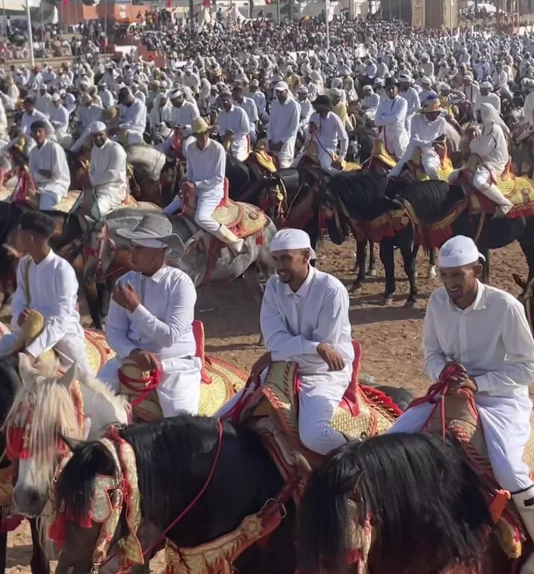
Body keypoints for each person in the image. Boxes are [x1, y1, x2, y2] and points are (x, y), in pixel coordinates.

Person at [387, 235, 534, 574]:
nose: (449, 283)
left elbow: (529, 367)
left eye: (457, 275)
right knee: (389, 444)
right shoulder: (437, 302)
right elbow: (431, 353)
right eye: (444, 275)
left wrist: (479, 383)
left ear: (477, 270)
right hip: (450, 394)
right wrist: (443, 372)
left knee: (509, 471)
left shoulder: (504, 306)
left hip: (499, 400)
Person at [218, 228, 354, 456]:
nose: (279, 266)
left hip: (322, 372)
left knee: (314, 437)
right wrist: (313, 347)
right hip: (283, 366)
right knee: (220, 422)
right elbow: (275, 341)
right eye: (276, 258)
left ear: (306, 256)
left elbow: (326, 350)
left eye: (286, 258)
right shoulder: (273, 286)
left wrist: (280, 353)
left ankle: (361, 453)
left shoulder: (331, 290)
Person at [97, 215, 202, 416]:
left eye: (140, 248)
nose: (132, 253)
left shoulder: (180, 284)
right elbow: (114, 332)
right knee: (90, 403)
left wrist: (135, 308)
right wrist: (133, 352)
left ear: (159, 252)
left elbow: (169, 337)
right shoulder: (124, 281)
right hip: (128, 360)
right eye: (133, 246)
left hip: (175, 366)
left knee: (180, 419)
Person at [0, 211, 88, 372]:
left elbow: (61, 319)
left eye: (18, 233)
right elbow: (20, 300)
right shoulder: (25, 264)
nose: (15, 238)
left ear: (29, 239)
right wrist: (20, 317)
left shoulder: (62, 270)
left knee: (85, 378)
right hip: (30, 328)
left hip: (61, 335)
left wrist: (32, 352)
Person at [162, 117, 244, 254]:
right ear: (195, 135)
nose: (204, 136)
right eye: (200, 134)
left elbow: (218, 178)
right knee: (165, 211)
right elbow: (191, 170)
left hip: (211, 191)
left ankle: (234, 240)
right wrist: (185, 179)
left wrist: (195, 184)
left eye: (205, 132)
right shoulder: (190, 149)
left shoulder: (218, 149)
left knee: (201, 218)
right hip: (193, 190)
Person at [459, 102, 514, 216]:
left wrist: (472, 141)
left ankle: (505, 203)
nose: (477, 115)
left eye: (479, 113)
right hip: (486, 159)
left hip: (495, 163)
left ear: (485, 114)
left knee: (479, 181)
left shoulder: (493, 129)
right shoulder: (485, 127)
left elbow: (482, 150)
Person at [78, 121, 128, 220]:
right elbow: (92, 169)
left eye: (100, 135)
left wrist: (91, 180)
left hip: (113, 190)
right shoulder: (94, 149)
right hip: (95, 188)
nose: (97, 138)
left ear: (106, 133)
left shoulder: (116, 150)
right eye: (94, 136)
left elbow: (112, 174)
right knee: (76, 209)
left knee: (96, 212)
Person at [390, 96, 448, 179]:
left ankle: (438, 185)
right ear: (425, 112)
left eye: (437, 113)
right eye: (432, 113)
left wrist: (440, 143)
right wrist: (431, 143)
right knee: (394, 172)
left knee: (430, 169)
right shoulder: (416, 119)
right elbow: (414, 140)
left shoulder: (441, 121)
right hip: (413, 149)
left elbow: (441, 141)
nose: (435, 115)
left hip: (430, 152)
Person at [27, 120, 71, 211]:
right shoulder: (33, 152)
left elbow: (56, 175)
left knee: (45, 204)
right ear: (31, 134)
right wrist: (43, 173)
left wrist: (39, 174)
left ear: (46, 133)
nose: (37, 134)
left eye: (40, 131)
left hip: (56, 185)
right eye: (34, 132)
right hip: (39, 185)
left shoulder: (54, 147)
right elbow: (31, 174)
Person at [301, 94, 349, 173]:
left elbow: (344, 138)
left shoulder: (334, 118)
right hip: (313, 147)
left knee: (325, 166)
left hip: (328, 149)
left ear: (324, 107)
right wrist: (310, 130)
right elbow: (309, 135)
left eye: (318, 105)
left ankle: (338, 176)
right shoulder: (313, 116)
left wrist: (340, 159)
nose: (315, 107)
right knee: (297, 162)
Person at [266, 81, 301, 168]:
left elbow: (293, 128)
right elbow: (271, 123)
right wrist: (270, 140)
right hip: (272, 143)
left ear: (286, 91)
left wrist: (281, 143)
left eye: (281, 92)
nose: (278, 94)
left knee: (283, 168)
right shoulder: (274, 104)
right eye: (277, 91)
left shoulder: (294, 105)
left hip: (285, 146)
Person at [374, 80, 410, 159]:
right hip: (385, 137)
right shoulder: (383, 102)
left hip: (398, 136)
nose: (390, 91)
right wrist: (390, 118)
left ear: (397, 89)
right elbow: (376, 121)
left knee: (401, 160)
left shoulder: (403, 102)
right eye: (388, 89)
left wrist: (383, 117)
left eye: (392, 88)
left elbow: (397, 118)